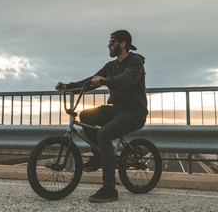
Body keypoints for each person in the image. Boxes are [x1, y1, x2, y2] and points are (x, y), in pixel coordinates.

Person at [55, 30, 148, 203]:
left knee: (103, 134)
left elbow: (127, 79)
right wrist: (68, 86)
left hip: (134, 112)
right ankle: (98, 155)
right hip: (116, 109)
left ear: (122, 44)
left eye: (112, 42)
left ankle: (109, 189)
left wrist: (105, 81)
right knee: (85, 115)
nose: (108, 45)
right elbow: (90, 81)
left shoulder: (135, 62)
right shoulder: (110, 66)